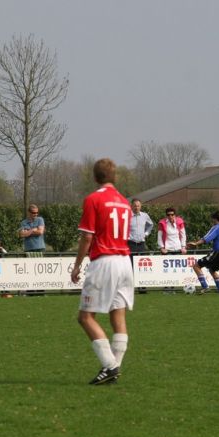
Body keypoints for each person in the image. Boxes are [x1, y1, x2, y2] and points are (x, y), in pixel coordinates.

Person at [70, 158, 133, 386]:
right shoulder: (125, 202)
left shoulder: (93, 199)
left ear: (95, 177)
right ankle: (112, 369)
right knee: (118, 316)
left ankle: (110, 365)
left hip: (104, 261)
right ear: (114, 177)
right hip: (125, 262)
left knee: (85, 317)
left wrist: (77, 265)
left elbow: (87, 237)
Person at [187, 211, 219, 295]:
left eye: (212, 219)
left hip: (217, 252)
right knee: (212, 270)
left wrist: (196, 244)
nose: (211, 221)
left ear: (215, 219)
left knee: (196, 266)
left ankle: (205, 287)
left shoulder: (216, 227)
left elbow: (206, 238)